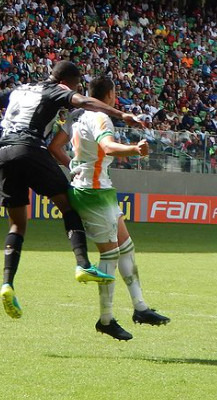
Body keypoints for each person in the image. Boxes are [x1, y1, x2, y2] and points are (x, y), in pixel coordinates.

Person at [0, 60, 142, 319]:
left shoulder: (19, 89)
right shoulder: (57, 90)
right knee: (68, 203)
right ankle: (83, 265)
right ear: (67, 82)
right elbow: (86, 102)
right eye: (76, 86)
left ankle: (7, 283)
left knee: (17, 225)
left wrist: (70, 165)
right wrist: (120, 115)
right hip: (29, 148)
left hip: (3, 151)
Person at [49, 76, 170, 340]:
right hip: (93, 194)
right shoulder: (100, 118)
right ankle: (106, 320)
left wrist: (74, 167)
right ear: (111, 95)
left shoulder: (77, 115)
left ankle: (140, 308)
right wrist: (134, 149)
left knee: (126, 246)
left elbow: (55, 147)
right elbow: (108, 147)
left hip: (99, 189)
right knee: (110, 256)